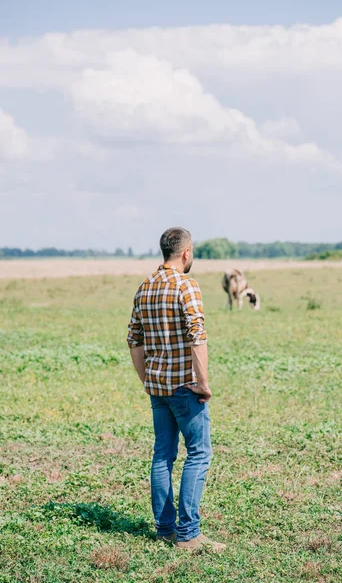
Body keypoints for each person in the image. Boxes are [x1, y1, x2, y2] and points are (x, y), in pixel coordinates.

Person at [127, 227, 226, 552]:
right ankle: (189, 534)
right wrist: (203, 382)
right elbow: (197, 335)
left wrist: (147, 380)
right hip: (185, 386)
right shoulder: (187, 285)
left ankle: (165, 529)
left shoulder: (145, 287)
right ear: (186, 253)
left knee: (163, 455)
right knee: (198, 453)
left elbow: (134, 340)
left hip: (158, 388)